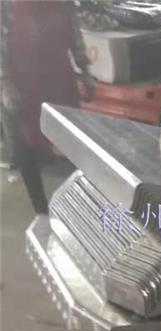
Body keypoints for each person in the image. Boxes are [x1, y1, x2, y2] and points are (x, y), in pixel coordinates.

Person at [0, 0, 93, 214]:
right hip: (21, 82)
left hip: (59, 78)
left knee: (72, 140)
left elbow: (73, 32)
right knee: (25, 146)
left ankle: (79, 207)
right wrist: (5, 82)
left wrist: (85, 71)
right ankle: (41, 210)